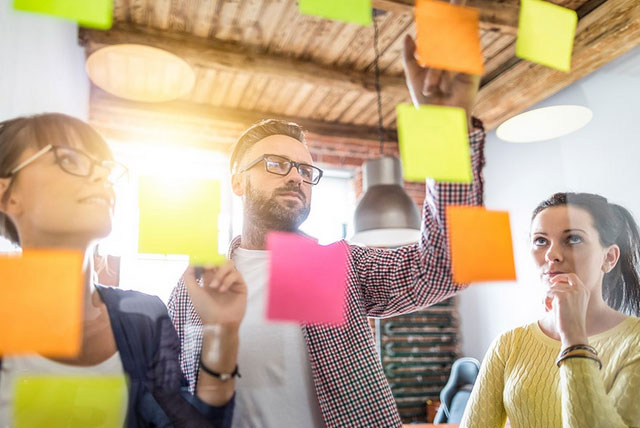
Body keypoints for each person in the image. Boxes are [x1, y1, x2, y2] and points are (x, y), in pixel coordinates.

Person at [167, 24, 486, 428]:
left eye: (304, 169)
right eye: (276, 164)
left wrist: (447, 133)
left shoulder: (329, 267)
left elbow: (447, 266)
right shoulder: (196, 285)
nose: (295, 177)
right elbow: (175, 395)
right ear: (237, 181)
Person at [0, 113, 247, 427]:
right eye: (69, 159)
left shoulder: (144, 317)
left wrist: (222, 332)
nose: (100, 177)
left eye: (104, 168)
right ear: (8, 194)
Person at [461, 192, 640, 428]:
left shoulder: (635, 343)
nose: (551, 255)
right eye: (541, 241)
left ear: (609, 257)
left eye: (573, 239)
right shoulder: (508, 344)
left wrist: (574, 338)